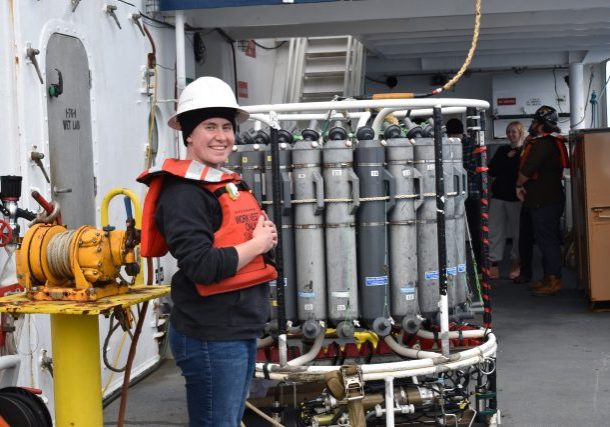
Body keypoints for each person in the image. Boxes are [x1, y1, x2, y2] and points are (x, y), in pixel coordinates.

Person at [137, 77, 278, 426]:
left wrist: (265, 241)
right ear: (188, 134)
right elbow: (200, 265)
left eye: (227, 127)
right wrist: (257, 244)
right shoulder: (183, 194)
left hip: (235, 329)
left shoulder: (220, 182)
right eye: (209, 126)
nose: (222, 136)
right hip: (211, 335)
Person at [515, 105, 569, 296]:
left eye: (534, 122)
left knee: (548, 242)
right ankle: (548, 277)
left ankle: (554, 279)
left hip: (544, 201)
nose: (531, 125)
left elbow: (528, 170)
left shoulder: (543, 144)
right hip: (543, 200)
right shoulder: (548, 143)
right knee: (546, 240)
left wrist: (519, 185)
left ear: (540, 125)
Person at [487, 121, 524, 279]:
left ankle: (516, 262)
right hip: (498, 197)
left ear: (520, 133)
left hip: (516, 198)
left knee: (517, 233)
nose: (510, 134)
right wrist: (506, 158)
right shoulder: (502, 150)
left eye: (514, 132)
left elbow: (523, 172)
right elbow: (492, 170)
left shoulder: (525, 151)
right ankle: (494, 264)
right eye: (509, 131)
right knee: (495, 232)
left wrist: (511, 159)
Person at [446, 118, 482, 267]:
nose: (454, 139)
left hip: (471, 193)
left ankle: (480, 265)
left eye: (456, 136)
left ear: (462, 133)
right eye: (451, 136)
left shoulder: (471, 145)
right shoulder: (446, 144)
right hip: (452, 194)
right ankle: (452, 263)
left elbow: (471, 169)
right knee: (451, 228)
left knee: (476, 230)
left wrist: (454, 174)